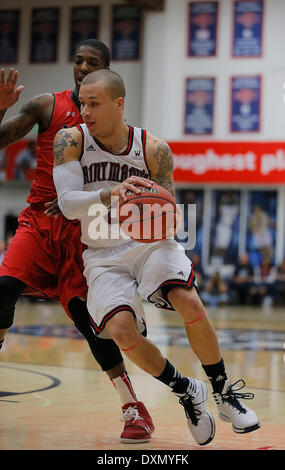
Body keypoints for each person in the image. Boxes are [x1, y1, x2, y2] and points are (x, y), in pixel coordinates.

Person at [53, 69, 261, 446]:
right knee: (119, 331)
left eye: (94, 103)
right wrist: (112, 193)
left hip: (148, 244)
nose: (84, 111)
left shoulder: (154, 148)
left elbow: (168, 208)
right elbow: (67, 205)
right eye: (82, 102)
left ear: (119, 104)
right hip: (101, 252)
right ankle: (186, 390)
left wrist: (165, 217)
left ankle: (222, 391)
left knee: (186, 298)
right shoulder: (70, 140)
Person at [0, 40, 154, 444]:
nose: (83, 68)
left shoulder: (109, 119)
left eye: (93, 63)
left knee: (91, 324)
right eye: (79, 61)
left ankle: (132, 406)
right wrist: (1, 106)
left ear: (106, 71)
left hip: (83, 230)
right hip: (38, 220)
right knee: (2, 287)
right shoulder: (45, 105)